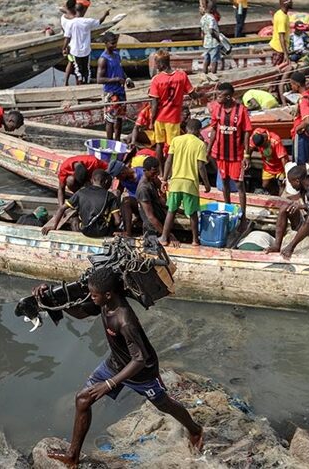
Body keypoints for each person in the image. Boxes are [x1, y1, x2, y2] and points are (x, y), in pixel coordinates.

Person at [40, 268, 204, 466]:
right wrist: (51, 300)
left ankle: (195, 430)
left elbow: (139, 358)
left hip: (142, 372)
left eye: (94, 295)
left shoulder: (124, 320)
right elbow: (81, 313)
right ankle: (72, 456)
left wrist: (109, 384)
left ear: (108, 294)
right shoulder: (103, 303)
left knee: (164, 404)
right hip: (115, 364)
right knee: (83, 400)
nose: (90, 298)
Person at [159, 119, 211, 246]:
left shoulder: (176, 140)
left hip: (176, 182)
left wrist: (164, 179)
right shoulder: (200, 144)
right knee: (192, 213)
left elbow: (169, 161)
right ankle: (195, 240)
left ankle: (164, 238)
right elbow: (201, 167)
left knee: (171, 210)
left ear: (187, 128)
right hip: (190, 184)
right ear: (199, 131)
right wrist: (207, 183)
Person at [207, 82, 252, 224]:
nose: (217, 98)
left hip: (236, 155)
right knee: (224, 183)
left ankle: (243, 217)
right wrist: (208, 149)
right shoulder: (216, 109)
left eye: (220, 95)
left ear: (228, 97)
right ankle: (227, 210)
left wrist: (247, 155)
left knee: (239, 185)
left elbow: (246, 132)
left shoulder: (241, 110)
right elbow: (214, 129)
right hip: (220, 154)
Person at [149, 50, 198, 172]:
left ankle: (161, 171)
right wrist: (200, 94)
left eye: (156, 64)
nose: (155, 66)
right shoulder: (181, 76)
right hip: (174, 118)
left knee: (159, 145)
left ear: (161, 64)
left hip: (160, 117)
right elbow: (192, 94)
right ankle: (171, 171)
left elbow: (154, 104)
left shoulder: (156, 80)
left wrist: (151, 120)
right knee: (173, 147)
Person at [43, 154, 108, 234]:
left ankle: (88, 198)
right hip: (81, 186)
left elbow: (107, 170)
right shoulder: (65, 167)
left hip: (93, 184)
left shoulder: (93, 161)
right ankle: (80, 199)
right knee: (70, 180)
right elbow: (61, 189)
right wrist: (60, 206)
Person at [50, 169, 121, 237]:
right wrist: (113, 228)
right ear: (105, 181)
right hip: (103, 232)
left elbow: (61, 209)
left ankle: (76, 233)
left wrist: (54, 226)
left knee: (74, 217)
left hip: (85, 231)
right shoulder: (110, 196)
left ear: (92, 180)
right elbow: (117, 221)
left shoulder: (81, 192)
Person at [97, 32, 134, 141]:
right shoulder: (103, 59)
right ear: (106, 43)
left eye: (115, 43)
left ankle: (117, 141)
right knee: (110, 120)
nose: (115, 45)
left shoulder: (117, 55)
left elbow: (121, 71)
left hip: (121, 92)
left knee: (119, 119)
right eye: (112, 43)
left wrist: (127, 79)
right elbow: (99, 79)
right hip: (111, 93)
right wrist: (116, 80)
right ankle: (109, 143)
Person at [63, 3, 110, 85]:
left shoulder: (70, 23)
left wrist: (64, 48)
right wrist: (105, 15)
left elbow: (67, 38)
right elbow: (99, 21)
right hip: (86, 50)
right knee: (86, 69)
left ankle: (80, 85)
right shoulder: (88, 21)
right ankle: (86, 83)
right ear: (84, 10)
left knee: (78, 70)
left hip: (75, 51)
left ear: (75, 10)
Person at [136, 156, 178, 244]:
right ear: (145, 171)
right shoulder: (143, 189)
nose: (156, 175)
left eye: (157, 172)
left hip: (162, 219)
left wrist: (163, 193)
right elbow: (150, 217)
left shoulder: (153, 179)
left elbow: (162, 192)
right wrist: (167, 235)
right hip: (153, 229)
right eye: (153, 173)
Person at [289, 70, 309, 172]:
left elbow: (308, 120)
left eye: (292, 84)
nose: (291, 87)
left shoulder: (304, 100)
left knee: (300, 163)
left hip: (302, 134)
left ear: (297, 84)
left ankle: (302, 184)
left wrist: (297, 128)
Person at [249, 128, 289, 195]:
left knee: (281, 184)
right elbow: (250, 148)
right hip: (268, 166)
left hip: (280, 167)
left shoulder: (275, 140)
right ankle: (273, 192)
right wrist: (247, 158)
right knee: (265, 185)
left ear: (265, 139)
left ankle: (279, 199)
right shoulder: (255, 135)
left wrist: (286, 173)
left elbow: (283, 158)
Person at [108, 160, 141, 237]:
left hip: (146, 201)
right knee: (122, 200)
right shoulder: (123, 179)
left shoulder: (141, 173)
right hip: (135, 203)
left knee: (126, 201)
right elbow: (119, 191)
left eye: (118, 176)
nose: (118, 178)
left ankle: (128, 232)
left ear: (123, 172)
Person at [269, 0, 293, 68]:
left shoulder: (279, 13)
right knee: (277, 69)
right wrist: (285, 53)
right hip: (279, 49)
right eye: (290, 2)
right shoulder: (282, 18)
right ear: (285, 4)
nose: (292, 3)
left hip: (279, 47)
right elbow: (281, 37)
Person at [60, 0, 79, 87]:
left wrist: (64, 47)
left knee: (71, 62)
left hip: (67, 43)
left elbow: (63, 31)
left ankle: (66, 81)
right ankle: (77, 82)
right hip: (74, 43)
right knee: (75, 63)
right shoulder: (74, 19)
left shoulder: (63, 17)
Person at [200, 4, 223, 76]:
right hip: (213, 42)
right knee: (214, 60)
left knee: (206, 59)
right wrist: (218, 39)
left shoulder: (202, 18)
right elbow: (211, 31)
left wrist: (203, 41)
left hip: (206, 42)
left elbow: (202, 32)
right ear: (212, 9)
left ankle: (205, 74)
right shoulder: (211, 18)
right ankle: (213, 75)